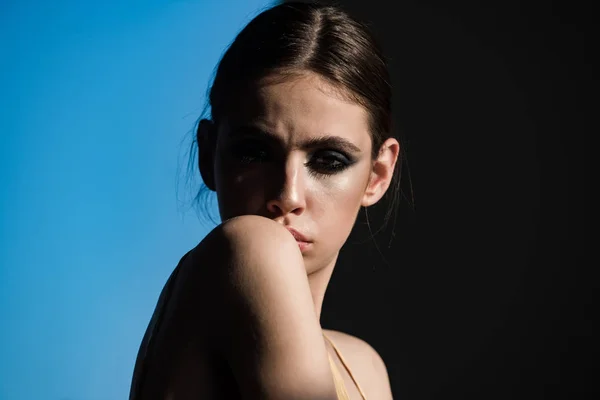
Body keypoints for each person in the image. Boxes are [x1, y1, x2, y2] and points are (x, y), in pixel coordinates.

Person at [130, 2, 401, 399]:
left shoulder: (362, 363)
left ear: (377, 177)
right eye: (255, 152)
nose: (287, 196)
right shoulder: (254, 244)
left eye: (329, 160)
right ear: (209, 155)